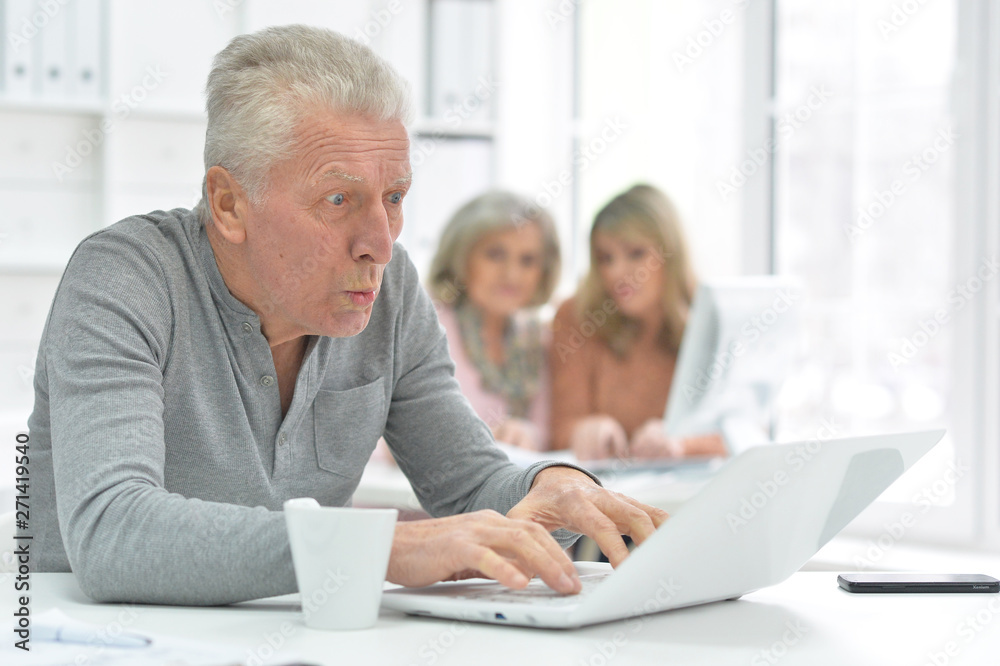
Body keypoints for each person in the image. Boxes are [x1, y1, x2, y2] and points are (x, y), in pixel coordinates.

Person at [24, 25, 668, 606]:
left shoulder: (390, 290)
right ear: (228, 204)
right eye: (338, 199)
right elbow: (112, 532)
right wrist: (378, 547)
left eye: (393, 197)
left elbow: (469, 482)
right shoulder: (124, 278)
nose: (381, 243)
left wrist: (550, 483)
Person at [550, 184, 727, 461]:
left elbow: (741, 431)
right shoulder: (577, 317)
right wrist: (585, 430)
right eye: (605, 258)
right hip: (605, 492)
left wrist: (682, 443)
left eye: (635, 253)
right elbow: (560, 428)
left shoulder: (713, 317)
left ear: (670, 253)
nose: (616, 272)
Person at [428, 192, 559, 451]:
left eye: (527, 260)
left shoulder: (540, 339)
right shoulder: (425, 326)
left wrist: (524, 434)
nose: (512, 275)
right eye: (495, 255)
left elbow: (546, 434)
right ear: (461, 256)